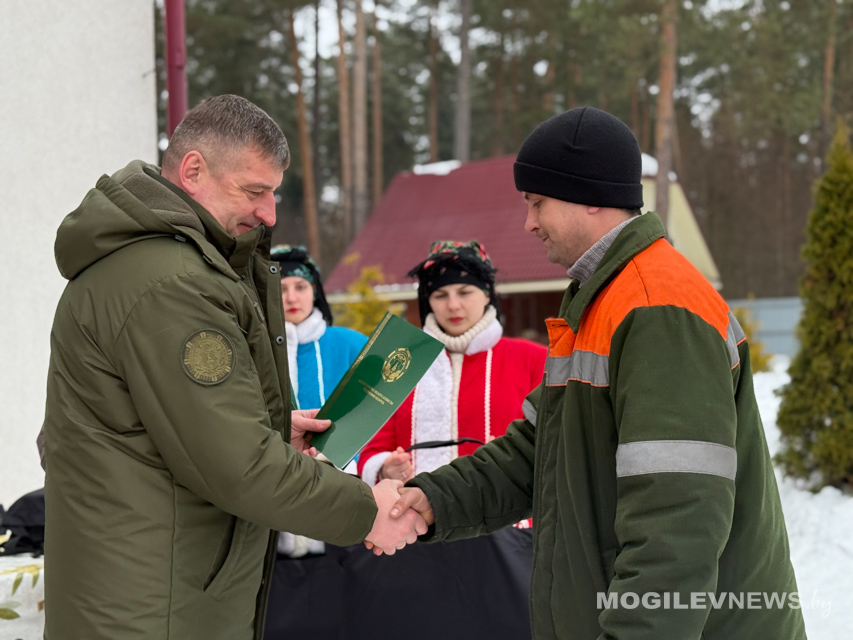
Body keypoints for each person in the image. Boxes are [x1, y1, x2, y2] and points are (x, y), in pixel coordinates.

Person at [384, 107, 806, 639]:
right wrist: (436, 499)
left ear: (589, 195)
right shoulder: (603, 299)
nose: (528, 223)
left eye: (537, 203)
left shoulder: (657, 308)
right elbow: (539, 451)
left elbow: (676, 522)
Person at [42, 94, 425, 640]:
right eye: (254, 191)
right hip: (157, 607)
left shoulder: (153, 265)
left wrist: (270, 428)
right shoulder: (173, 283)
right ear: (193, 169)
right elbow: (239, 467)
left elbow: (168, 427)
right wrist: (369, 509)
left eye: (274, 193)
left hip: (151, 588)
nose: (269, 214)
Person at [347, 240, 546, 639]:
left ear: (487, 294)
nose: (453, 305)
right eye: (440, 294)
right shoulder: (396, 363)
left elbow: (547, 443)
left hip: (509, 535)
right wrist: (384, 465)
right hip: (416, 534)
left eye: (465, 292)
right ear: (427, 301)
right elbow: (367, 441)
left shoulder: (532, 358)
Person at [264, 244, 367, 639]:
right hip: (274, 509)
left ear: (315, 292)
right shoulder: (256, 350)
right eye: (282, 287)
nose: (291, 297)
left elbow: (379, 412)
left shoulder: (349, 344)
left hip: (340, 500)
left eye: (300, 287)